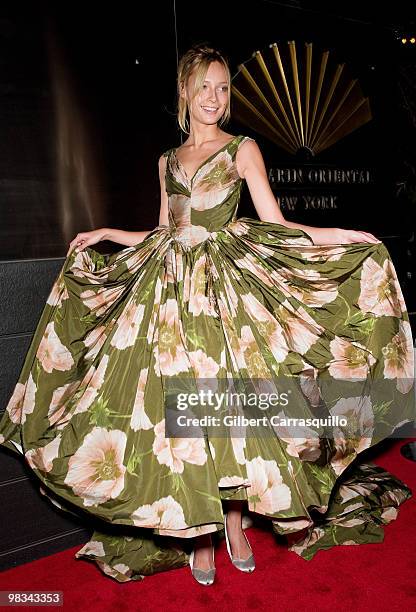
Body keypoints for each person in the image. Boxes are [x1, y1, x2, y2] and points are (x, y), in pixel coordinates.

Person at [0, 44, 413, 586]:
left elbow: (278, 223)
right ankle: (201, 534)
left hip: (226, 297)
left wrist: (340, 235)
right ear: (185, 94)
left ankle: (235, 525)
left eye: (222, 88)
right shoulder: (167, 161)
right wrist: (105, 234)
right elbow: (163, 231)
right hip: (171, 300)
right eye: (204, 88)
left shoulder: (243, 149)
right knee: (184, 416)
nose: (214, 98)